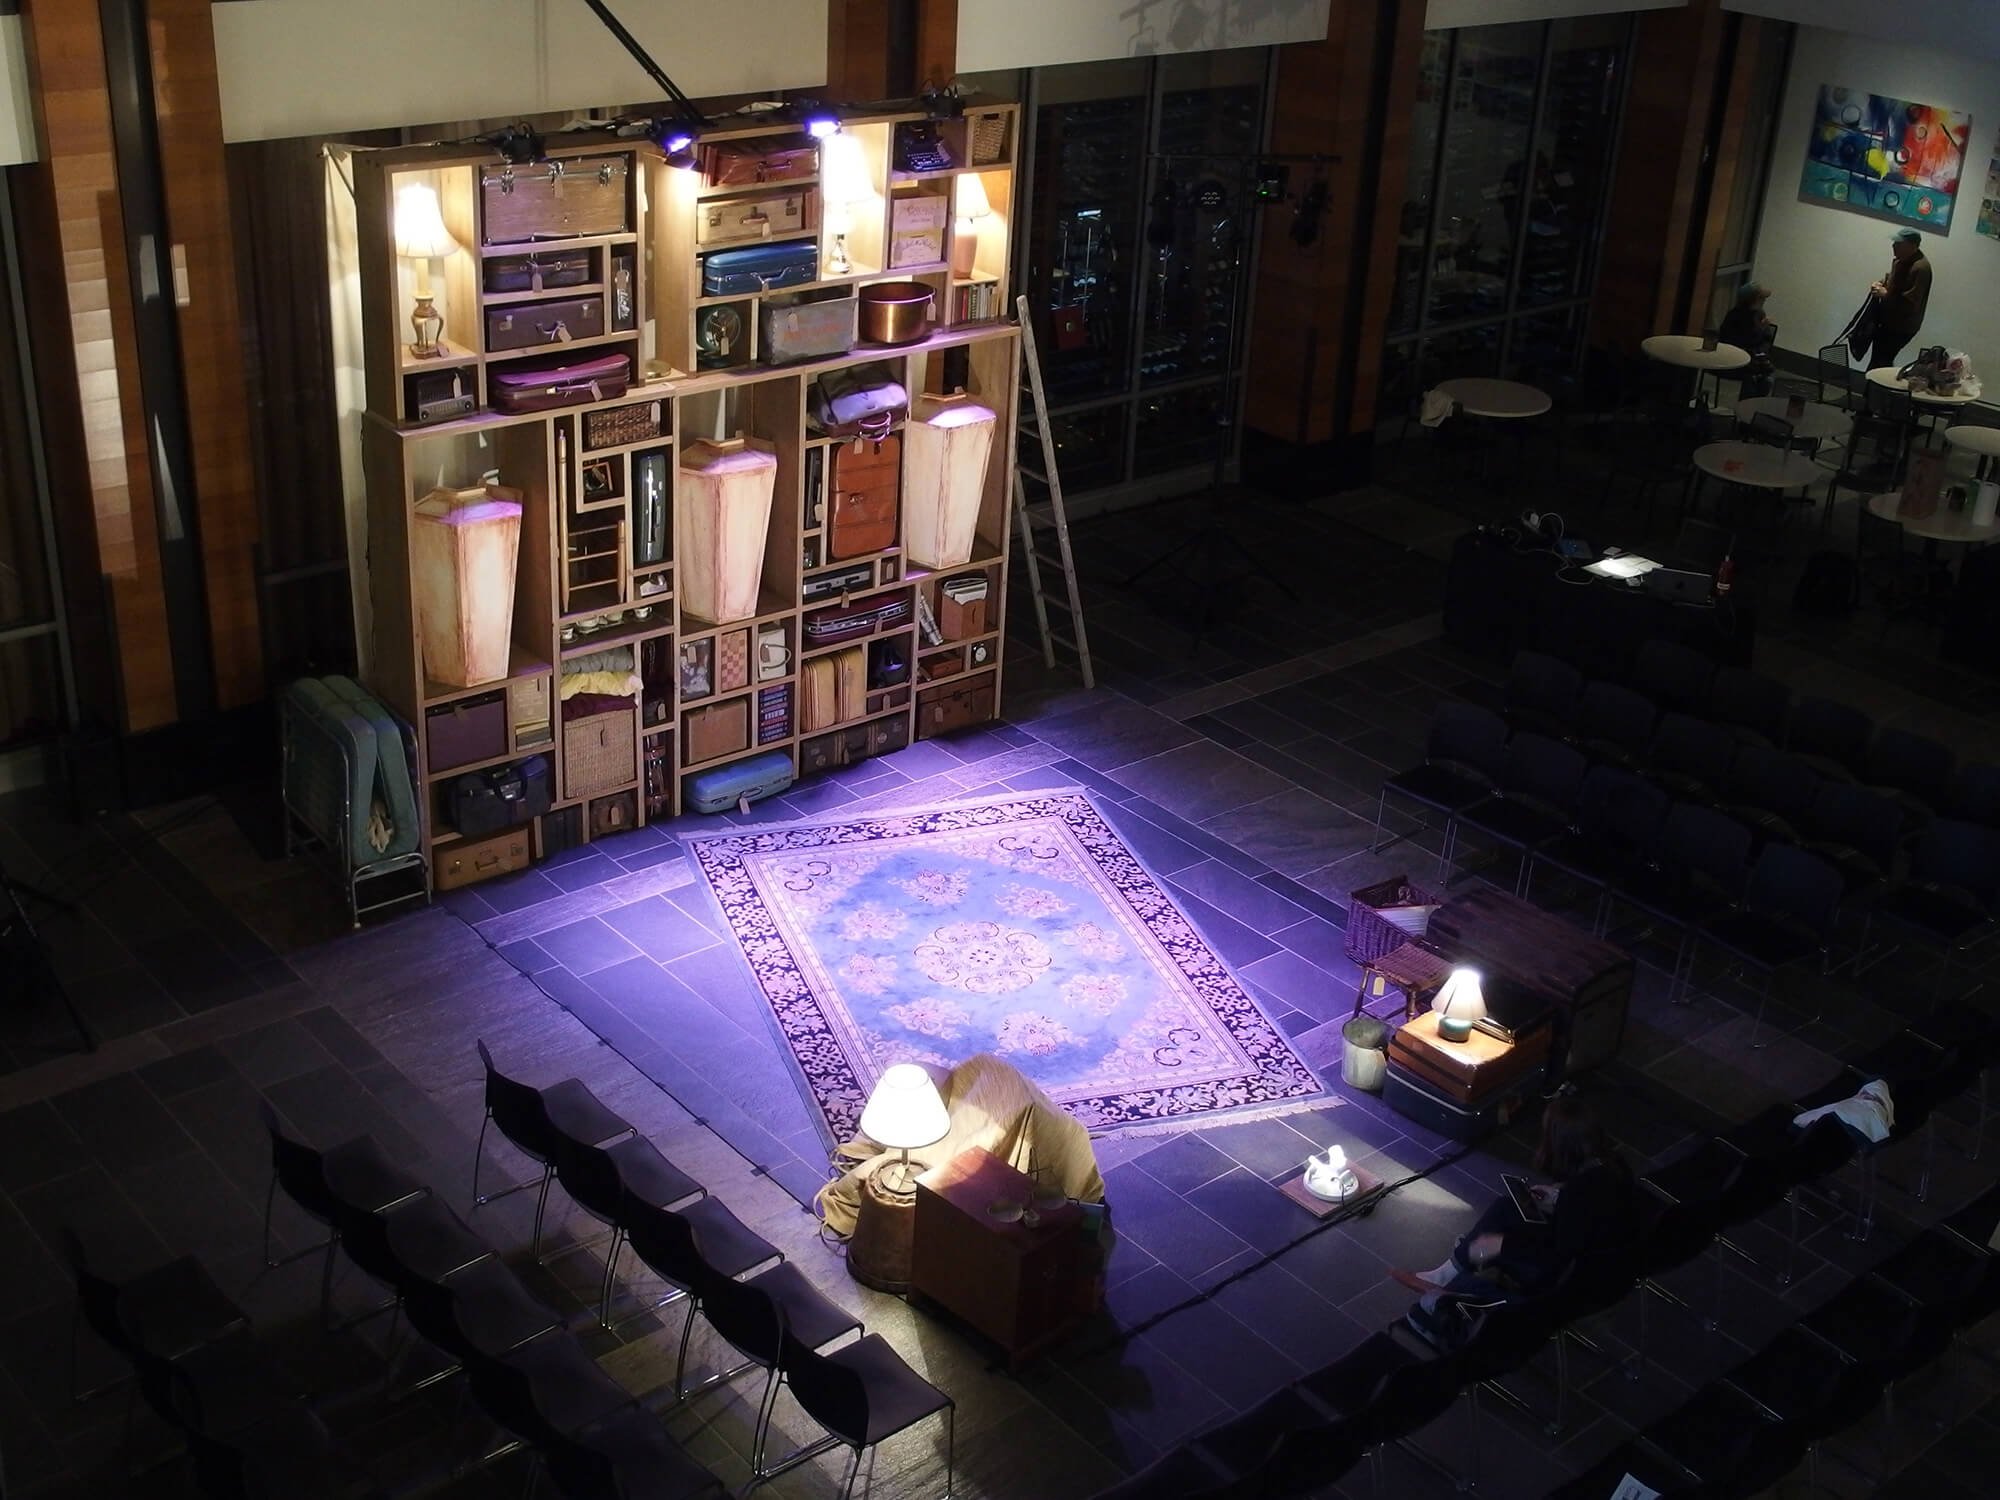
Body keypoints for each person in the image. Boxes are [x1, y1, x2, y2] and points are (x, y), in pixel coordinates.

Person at [1391, 1090, 1638, 1326]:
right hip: (1597, 1255)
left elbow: (1558, 1256)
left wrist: (1502, 1245)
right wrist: (1557, 1196)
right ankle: (1447, 1271)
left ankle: (1456, 1284)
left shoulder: (1579, 1195)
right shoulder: (1614, 1164)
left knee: (1499, 1234)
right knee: (1508, 1207)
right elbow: (1586, 1214)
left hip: (1567, 1279)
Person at [1867, 228, 1932, 372]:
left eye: (1898, 243)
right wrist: (1880, 284)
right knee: (1879, 360)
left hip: (1901, 327)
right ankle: (1873, 392)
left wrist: (1885, 295)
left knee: (1881, 362)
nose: (1893, 246)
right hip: (1888, 321)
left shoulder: (1920, 268)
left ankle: (1876, 392)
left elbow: (1910, 304)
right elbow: (1892, 280)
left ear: (1912, 246)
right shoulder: (1901, 260)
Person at [1719, 282, 1778, 398]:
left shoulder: (1759, 314)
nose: (1764, 301)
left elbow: (1766, 339)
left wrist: (1761, 351)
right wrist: (1761, 329)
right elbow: (1738, 341)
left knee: (1766, 379)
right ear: (1754, 300)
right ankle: (1747, 408)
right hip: (1735, 359)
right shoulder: (1735, 316)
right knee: (1753, 377)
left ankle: (1753, 406)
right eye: (1761, 298)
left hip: (1755, 357)